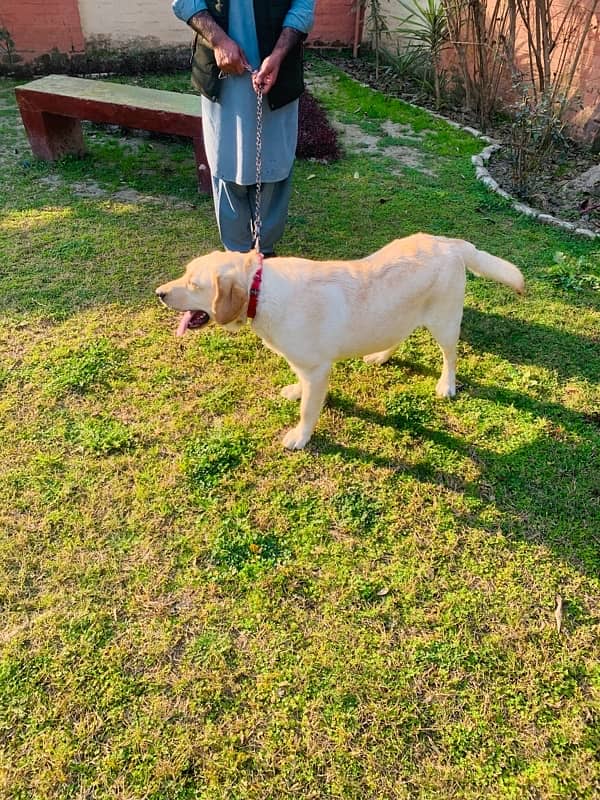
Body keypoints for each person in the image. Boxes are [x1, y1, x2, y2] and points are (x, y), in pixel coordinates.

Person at [172, 0, 315, 256]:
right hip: (222, 76)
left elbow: (302, 7)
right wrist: (219, 41)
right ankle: (236, 255)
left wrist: (278, 55)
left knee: (274, 163)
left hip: (278, 74)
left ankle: (265, 253)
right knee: (227, 161)